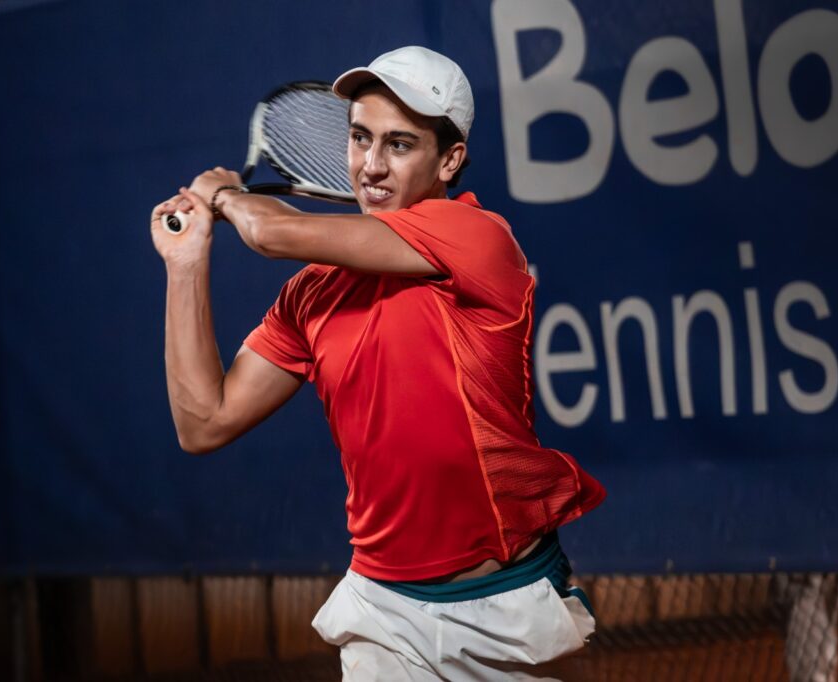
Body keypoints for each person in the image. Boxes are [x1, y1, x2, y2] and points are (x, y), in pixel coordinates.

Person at [150, 46, 606, 681]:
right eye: (360, 137)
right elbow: (203, 422)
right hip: (385, 612)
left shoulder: (477, 237)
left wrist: (222, 193)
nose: (371, 166)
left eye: (399, 145)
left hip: (506, 609)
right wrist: (186, 265)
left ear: (449, 160)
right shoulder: (312, 293)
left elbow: (271, 233)